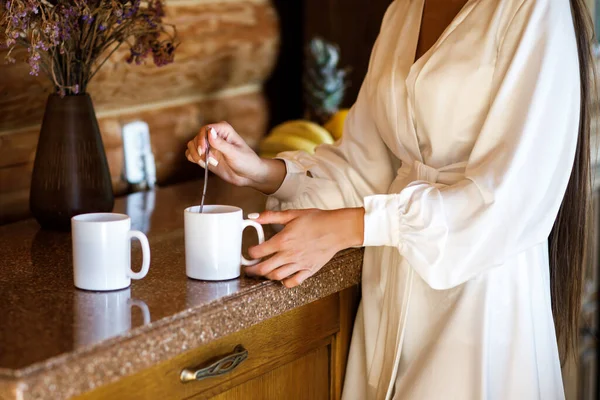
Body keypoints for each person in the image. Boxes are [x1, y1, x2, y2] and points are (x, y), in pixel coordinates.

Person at [185, 0, 594, 398]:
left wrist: (355, 226)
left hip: (480, 295)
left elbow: (513, 198)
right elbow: (366, 166)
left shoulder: (533, 7)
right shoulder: (402, 10)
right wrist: (261, 171)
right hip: (390, 296)